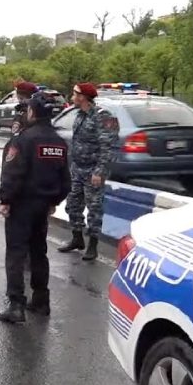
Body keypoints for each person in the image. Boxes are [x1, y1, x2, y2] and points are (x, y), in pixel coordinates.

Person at [0, 97, 72, 324]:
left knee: (16, 253)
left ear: (32, 112)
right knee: (39, 252)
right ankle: (41, 300)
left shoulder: (23, 140)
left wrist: (6, 199)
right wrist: (54, 201)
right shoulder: (59, 143)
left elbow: (13, 173)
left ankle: (16, 305)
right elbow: (65, 179)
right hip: (44, 206)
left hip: (22, 205)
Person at [56, 83, 119, 261]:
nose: (72, 97)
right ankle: (77, 238)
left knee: (94, 208)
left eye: (74, 94)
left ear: (82, 97)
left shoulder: (102, 116)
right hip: (77, 168)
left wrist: (99, 171)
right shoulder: (80, 115)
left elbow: (108, 147)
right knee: (72, 205)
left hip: (93, 170)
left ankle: (92, 245)